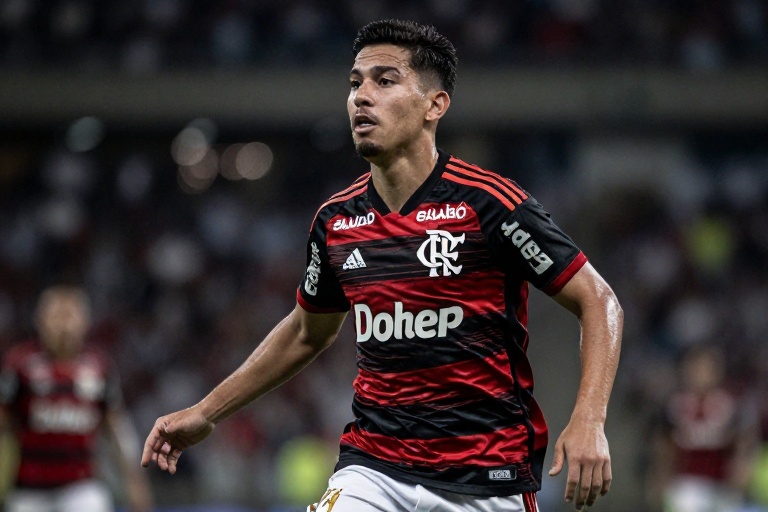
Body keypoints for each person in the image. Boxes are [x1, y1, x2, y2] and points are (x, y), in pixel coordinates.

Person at [141, 19, 623, 512]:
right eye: (355, 83)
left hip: (485, 476)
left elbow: (598, 300)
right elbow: (306, 332)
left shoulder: (490, 204)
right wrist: (207, 411)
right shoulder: (336, 220)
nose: (361, 97)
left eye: (384, 80)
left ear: (435, 105)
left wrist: (590, 417)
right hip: (374, 468)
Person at [0, 285, 153, 512]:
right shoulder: (19, 365)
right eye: (56, 316)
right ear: (39, 321)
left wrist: (135, 481)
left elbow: (117, 428)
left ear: (85, 322)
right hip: (29, 489)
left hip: (81, 489)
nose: (64, 326)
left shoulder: (99, 367)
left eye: (70, 316)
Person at [647, 344, 758, 512]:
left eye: (707, 368)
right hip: (685, 485)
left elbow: (743, 439)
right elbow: (664, 444)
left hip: (721, 485)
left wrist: (741, 466)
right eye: (697, 368)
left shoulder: (728, 404)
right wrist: (660, 476)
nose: (701, 374)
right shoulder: (675, 405)